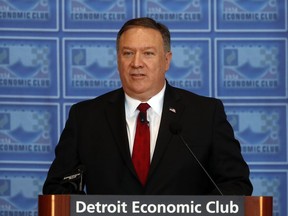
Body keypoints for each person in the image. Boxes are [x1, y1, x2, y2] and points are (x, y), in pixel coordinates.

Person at [43, 17, 253, 195]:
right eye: (128, 53)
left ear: (167, 60)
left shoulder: (205, 114)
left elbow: (236, 185)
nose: (136, 63)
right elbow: (57, 187)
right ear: (118, 60)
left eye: (148, 53)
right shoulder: (86, 117)